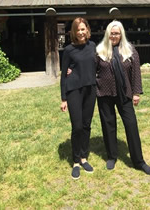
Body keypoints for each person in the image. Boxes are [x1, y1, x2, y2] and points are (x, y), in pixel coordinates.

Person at [96, 20, 150, 175]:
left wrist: (136, 93)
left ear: (121, 34)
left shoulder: (130, 51)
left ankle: (139, 161)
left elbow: (136, 74)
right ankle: (112, 156)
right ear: (107, 34)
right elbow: (90, 69)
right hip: (104, 93)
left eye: (117, 33)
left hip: (124, 93)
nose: (114, 36)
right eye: (111, 33)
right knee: (108, 125)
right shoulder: (100, 51)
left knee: (131, 125)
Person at [60, 17, 96, 180]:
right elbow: (63, 75)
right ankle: (75, 161)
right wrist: (63, 98)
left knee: (87, 125)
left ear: (87, 30)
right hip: (74, 90)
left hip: (90, 89)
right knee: (77, 126)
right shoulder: (68, 50)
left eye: (83, 29)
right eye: (78, 30)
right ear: (73, 32)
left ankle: (83, 157)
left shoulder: (93, 46)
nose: (81, 32)